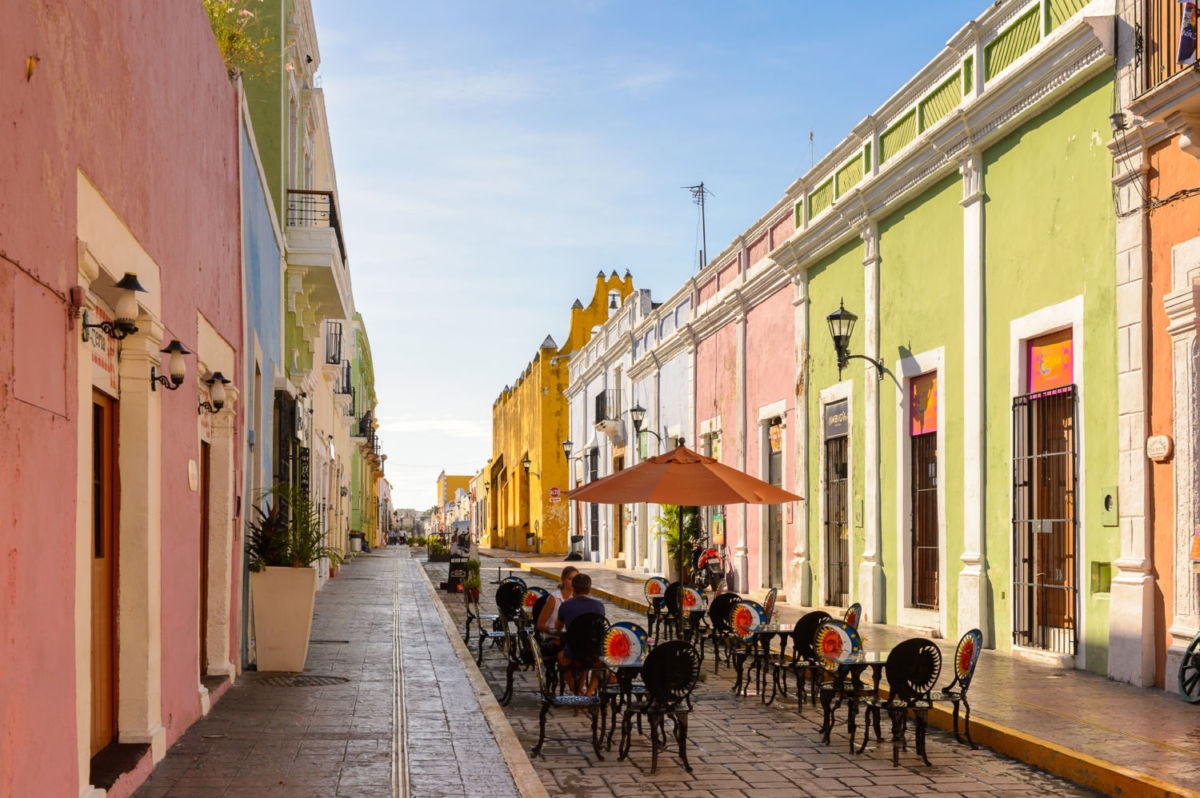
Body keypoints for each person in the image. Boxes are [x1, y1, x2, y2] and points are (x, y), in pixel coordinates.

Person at [556, 573, 606, 694]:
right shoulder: (599, 606)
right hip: (593, 653)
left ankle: (577, 691)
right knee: (601, 667)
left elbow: (558, 627)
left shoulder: (565, 605)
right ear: (589, 589)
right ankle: (589, 693)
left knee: (560, 659)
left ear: (573, 588)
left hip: (572, 653)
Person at [536, 565, 578, 656]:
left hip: (569, 638)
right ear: (563, 580)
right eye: (570, 579)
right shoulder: (554, 598)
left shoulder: (576, 598)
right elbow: (540, 625)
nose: (573, 582)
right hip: (553, 637)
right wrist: (557, 634)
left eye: (576, 579)